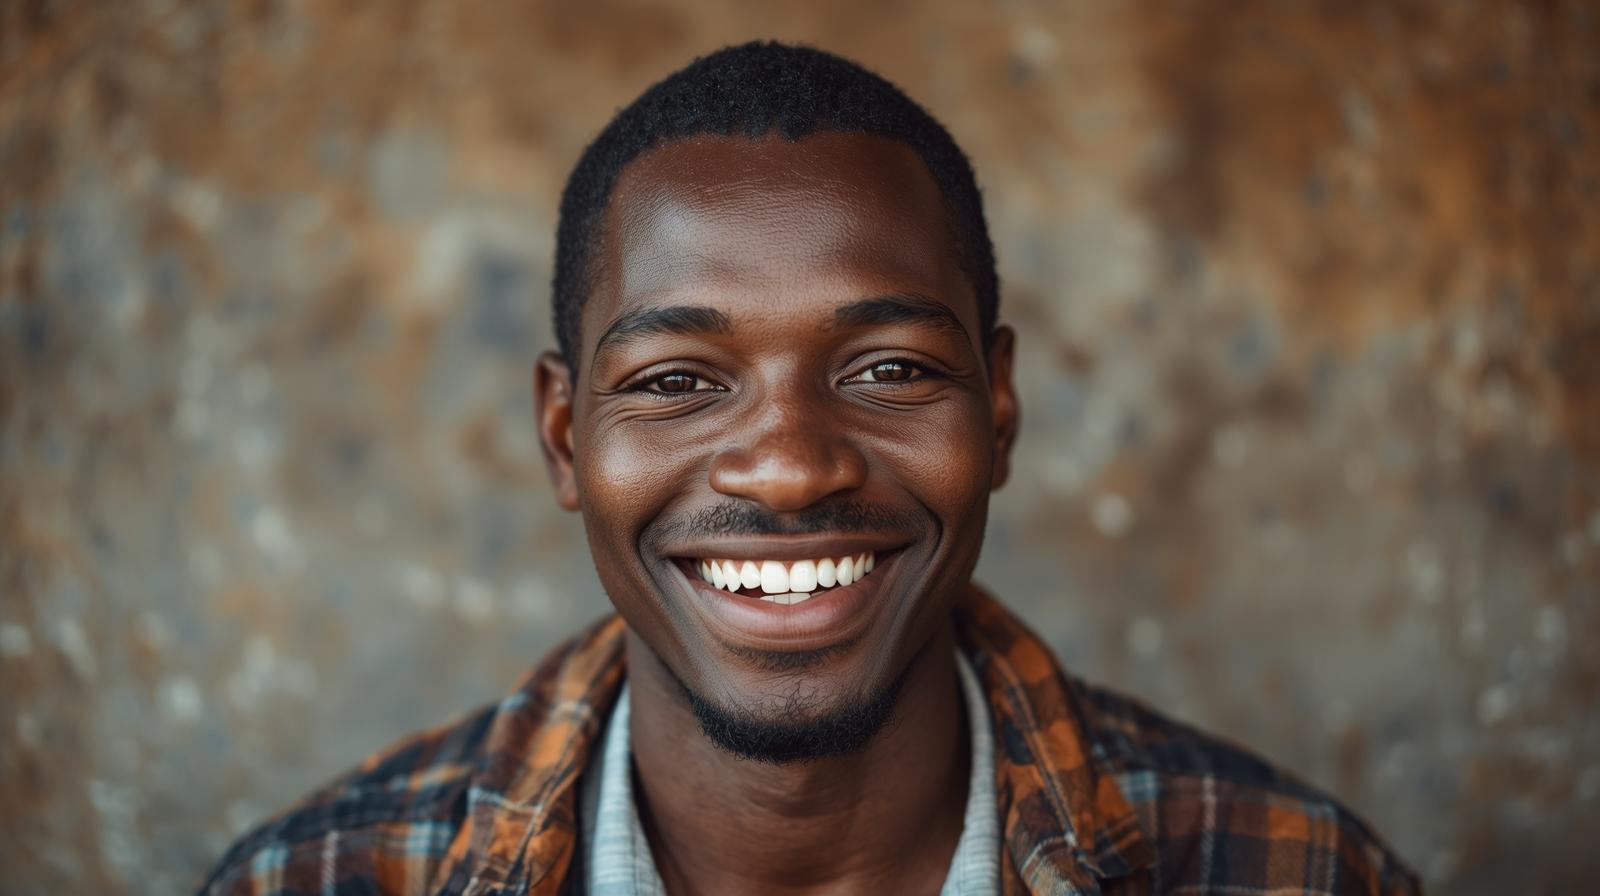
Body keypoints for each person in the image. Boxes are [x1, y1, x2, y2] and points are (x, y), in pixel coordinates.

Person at [201, 42, 1419, 895]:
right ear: (566, 436)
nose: (788, 469)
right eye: (677, 379)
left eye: (888, 371)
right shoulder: (318, 879)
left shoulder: (1287, 870)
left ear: (996, 407)